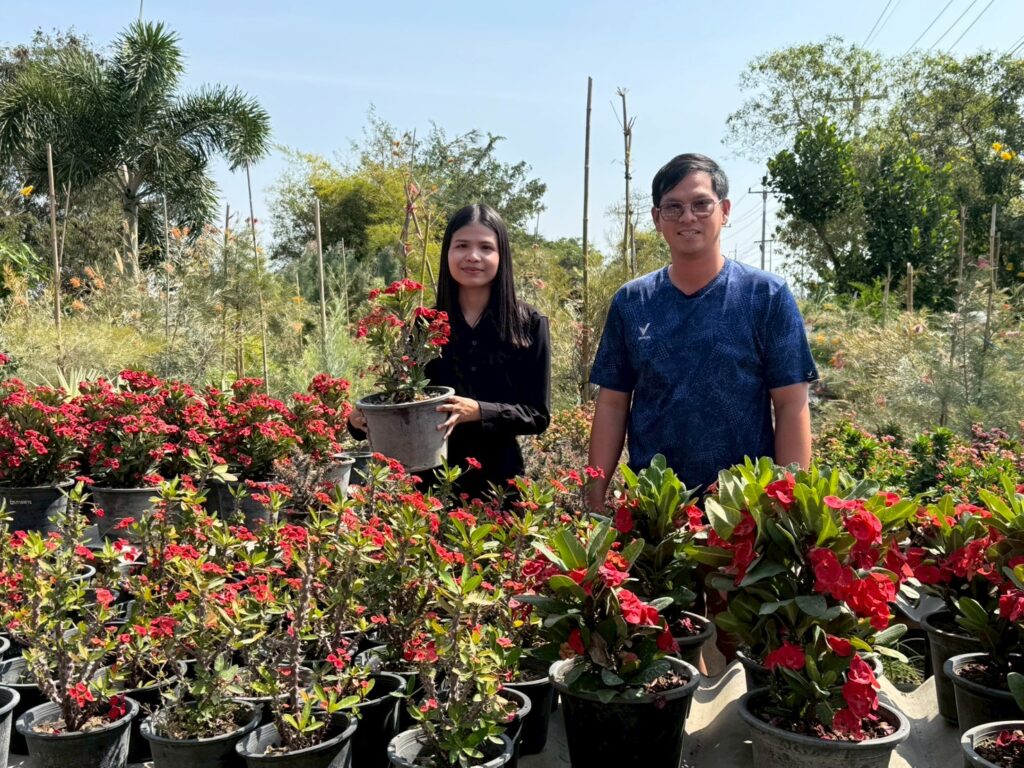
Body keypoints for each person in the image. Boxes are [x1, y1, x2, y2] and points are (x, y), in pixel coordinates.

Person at [586, 153, 818, 511]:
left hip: (745, 509)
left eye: (701, 204)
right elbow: (613, 405)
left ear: (724, 210)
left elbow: (791, 404)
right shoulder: (632, 302)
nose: (688, 217)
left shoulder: (766, 296)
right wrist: (594, 496)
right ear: (657, 219)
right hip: (654, 508)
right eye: (673, 207)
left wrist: (790, 504)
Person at [351, 203, 550, 499]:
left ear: (502, 256)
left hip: (500, 487)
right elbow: (406, 398)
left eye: (486, 247)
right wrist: (360, 421)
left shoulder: (529, 324)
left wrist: (480, 411)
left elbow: (537, 415)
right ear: (447, 253)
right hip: (428, 488)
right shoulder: (424, 324)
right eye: (462, 246)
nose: (473, 256)